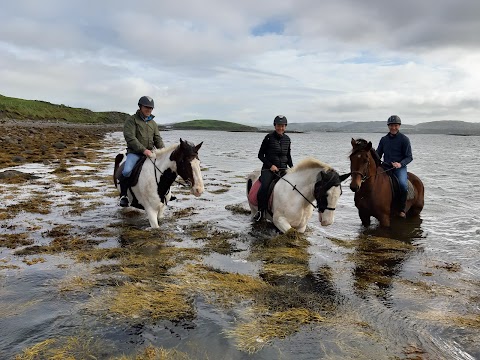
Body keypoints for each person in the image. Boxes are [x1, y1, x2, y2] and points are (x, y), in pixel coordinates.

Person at [118, 96, 165, 207]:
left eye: (151, 108)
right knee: (126, 171)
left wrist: (163, 151)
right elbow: (130, 137)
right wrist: (143, 150)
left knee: (163, 170)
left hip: (151, 153)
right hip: (135, 153)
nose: (148, 110)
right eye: (146, 107)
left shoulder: (153, 123)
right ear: (140, 107)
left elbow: (157, 138)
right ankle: (124, 195)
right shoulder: (132, 120)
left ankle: (165, 194)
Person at [253, 115, 293, 221]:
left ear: (285, 126)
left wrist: (293, 168)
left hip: (283, 169)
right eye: (278, 125)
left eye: (283, 126)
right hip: (268, 169)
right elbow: (260, 155)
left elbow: (288, 156)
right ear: (275, 126)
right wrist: (271, 165)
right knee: (265, 186)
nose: (280, 128)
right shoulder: (268, 137)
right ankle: (261, 211)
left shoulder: (287, 139)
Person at [376, 115, 413, 218]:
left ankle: (401, 209)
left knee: (402, 184)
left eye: (396, 125)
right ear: (388, 126)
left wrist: (400, 164)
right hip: (386, 166)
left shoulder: (404, 139)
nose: (393, 128)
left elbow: (409, 157)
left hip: (399, 167)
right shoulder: (384, 139)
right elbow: (378, 154)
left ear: (399, 126)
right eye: (391, 125)